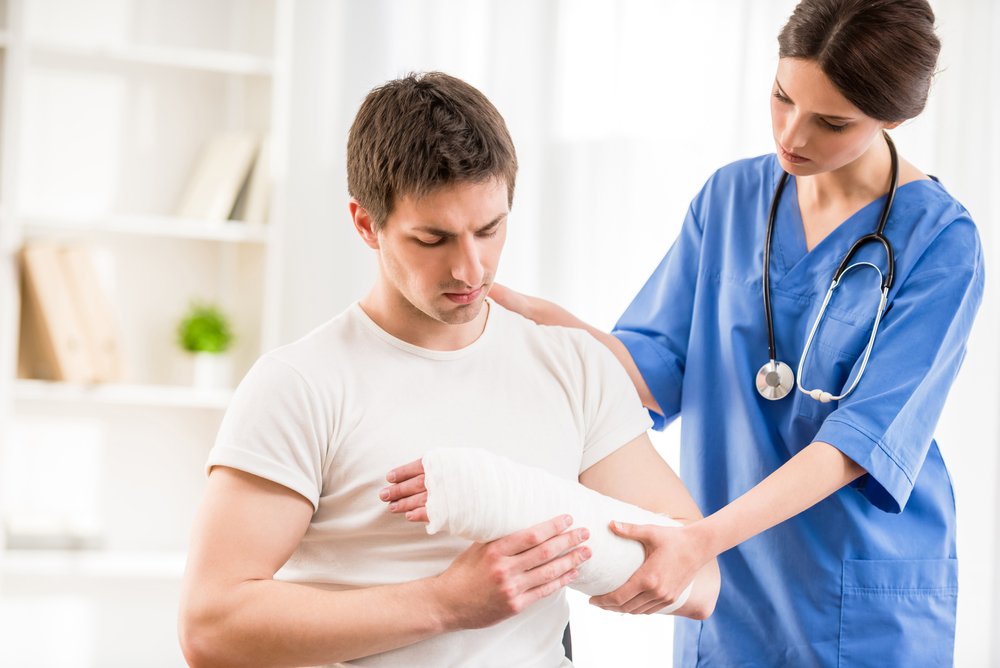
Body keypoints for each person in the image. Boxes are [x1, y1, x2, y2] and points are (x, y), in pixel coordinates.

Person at [466, 1, 983, 665]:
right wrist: (557, 328)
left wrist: (702, 540)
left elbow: (861, 443)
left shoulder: (940, 242)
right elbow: (654, 375)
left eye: (831, 122)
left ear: (895, 117)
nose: (792, 134)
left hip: (862, 599)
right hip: (731, 588)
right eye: (781, 96)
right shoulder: (730, 199)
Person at [177, 72, 719, 668]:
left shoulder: (573, 366)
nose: (470, 269)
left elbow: (698, 574)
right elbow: (211, 627)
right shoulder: (300, 385)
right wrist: (446, 604)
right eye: (432, 239)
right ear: (365, 224)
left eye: (489, 230)